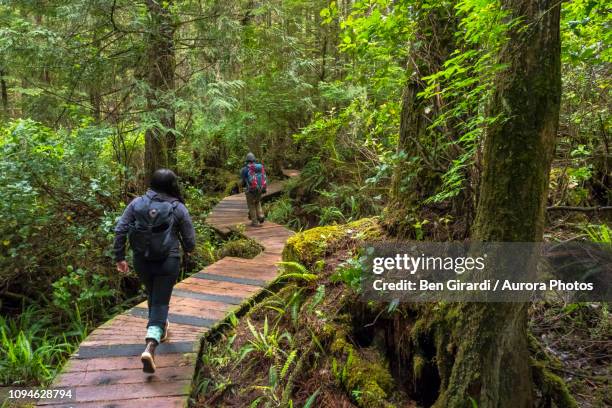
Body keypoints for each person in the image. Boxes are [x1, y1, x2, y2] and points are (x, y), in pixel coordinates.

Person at [113, 169, 196, 373]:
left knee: (153, 294)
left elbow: (121, 229)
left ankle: (161, 326)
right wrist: (189, 250)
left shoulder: (137, 203)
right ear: (171, 185)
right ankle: (151, 344)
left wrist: (119, 257)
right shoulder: (178, 208)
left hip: (142, 260)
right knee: (160, 300)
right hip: (168, 260)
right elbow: (190, 241)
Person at [240, 152, 267, 227]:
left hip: (250, 190)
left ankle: (255, 222)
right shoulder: (259, 167)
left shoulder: (245, 169)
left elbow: (242, 181)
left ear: (247, 160)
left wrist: (242, 185)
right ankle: (261, 216)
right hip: (260, 189)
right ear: (254, 159)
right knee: (257, 202)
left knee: (251, 205)